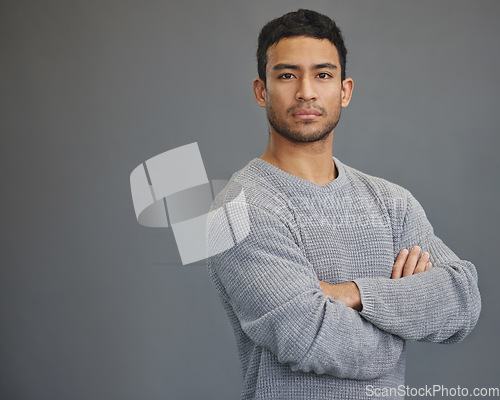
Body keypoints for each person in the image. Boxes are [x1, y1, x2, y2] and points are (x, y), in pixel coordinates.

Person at [206, 9, 481, 400]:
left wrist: (355, 294)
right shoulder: (235, 211)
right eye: (286, 75)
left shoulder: (391, 202)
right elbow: (311, 336)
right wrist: (402, 321)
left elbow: (463, 302)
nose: (306, 91)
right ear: (261, 91)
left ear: (345, 90)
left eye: (323, 74)